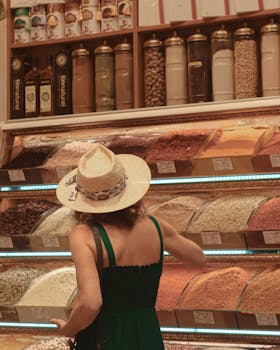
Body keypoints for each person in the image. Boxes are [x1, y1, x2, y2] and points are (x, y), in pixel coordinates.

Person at [51, 143, 206, 350]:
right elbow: (197, 259)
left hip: (105, 338)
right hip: (148, 334)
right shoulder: (155, 226)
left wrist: (68, 329)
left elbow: (90, 303)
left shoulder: (83, 235)